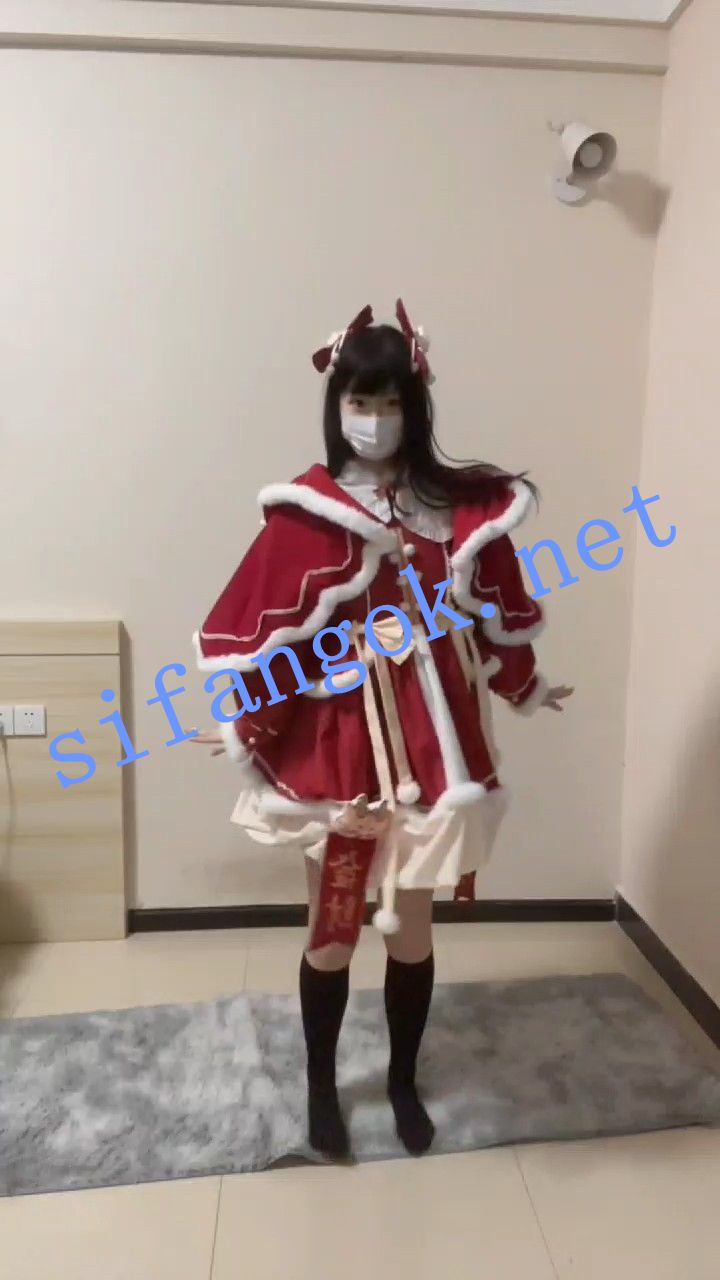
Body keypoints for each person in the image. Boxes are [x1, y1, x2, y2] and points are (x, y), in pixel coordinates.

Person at [192, 300, 572, 1161]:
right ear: (337, 405)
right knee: (332, 931)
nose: (374, 419)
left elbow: (491, 615)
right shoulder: (310, 511)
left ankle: (401, 1081)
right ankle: (322, 1089)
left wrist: (526, 685)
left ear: (415, 404)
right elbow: (280, 633)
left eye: (390, 401)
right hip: (339, 745)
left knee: (411, 928)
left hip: (434, 746)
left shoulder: (453, 509)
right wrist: (247, 723)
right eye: (359, 401)